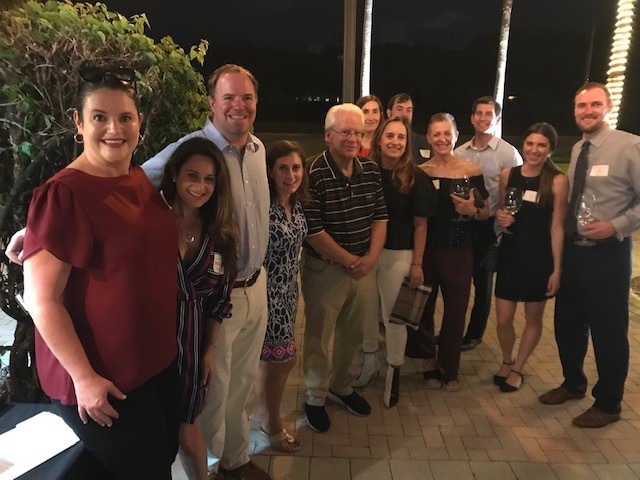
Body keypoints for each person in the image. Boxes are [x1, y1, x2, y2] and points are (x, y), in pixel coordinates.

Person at [22, 68, 179, 479]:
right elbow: (41, 300)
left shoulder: (137, 177)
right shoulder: (63, 195)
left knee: (162, 458)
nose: (114, 129)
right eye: (99, 117)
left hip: (154, 360)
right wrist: (84, 378)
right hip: (104, 379)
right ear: (78, 122)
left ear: (139, 122)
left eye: (125, 117)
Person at [143, 64, 271, 479]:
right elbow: (133, 183)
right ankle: (209, 468)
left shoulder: (258, 150)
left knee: (243, 383)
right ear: (212, 102)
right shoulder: (192, 150)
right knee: (212, 393)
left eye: (247, 97)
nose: (239, 106)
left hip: (256, 285)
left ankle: (236, 458)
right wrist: (40, 229)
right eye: (229, 97)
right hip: (216, 293)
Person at [539, 82, 640, 428]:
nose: (588, 111)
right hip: (575, 250)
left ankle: (609, 404)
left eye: (595, 104)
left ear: (608, 107)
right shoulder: (579, 148)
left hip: (608, 255)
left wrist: (616, 225)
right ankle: (573, 383)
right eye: (581, 106)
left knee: (608, 331)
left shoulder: (629, 146)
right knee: (568, 324)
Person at [302, 103, 387, 433]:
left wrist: (370, 259)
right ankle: (315, 395)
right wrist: (349, 260)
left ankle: (342, 385)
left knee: (353, 334)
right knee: (319, 336)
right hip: (325, 270)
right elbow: (313, 229)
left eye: (358, 132)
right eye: (345, 132)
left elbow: (380, 217)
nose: (353, 138)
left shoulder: (371, 170)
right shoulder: (313, 172)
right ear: (328, 135)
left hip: (362, 268)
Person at [159, 138, 238, 479]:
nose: (200, 186)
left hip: (190, 347)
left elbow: (220, 300)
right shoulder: (151, 219)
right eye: (192, 175)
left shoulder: (220, 234)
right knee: (155, 434)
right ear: (175, 173)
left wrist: (208, 349)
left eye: (209, 180)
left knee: (188, 431)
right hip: (150, 344)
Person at [405, 113, 489, 391]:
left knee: (456, 311)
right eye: (436, 134)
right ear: (428, 138)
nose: (442, 139)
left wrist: (473, 210)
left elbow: (486, 211)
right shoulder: (420, 172)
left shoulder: (471, 170)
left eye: (447, 133)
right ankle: (429, 361)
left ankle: (449, 367)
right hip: (428, 249)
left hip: (460, 250)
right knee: (424, 308)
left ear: (456, 136)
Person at [361, 117, 437, 406]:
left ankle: (394, 370)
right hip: (366, 253)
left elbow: (421, 225)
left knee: (394, 317)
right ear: (379, 139)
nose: (395, 141)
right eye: (390, 136)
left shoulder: (415, 177)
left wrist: (417, 263)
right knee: (366, 314)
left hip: (399, 254)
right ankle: (369, 362)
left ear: (407, 143)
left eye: (401, 137)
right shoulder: (365, 171)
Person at [493, 123, 568, 392]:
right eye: (530, 144)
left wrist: (557, 269)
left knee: (533, 320)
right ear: (523, 144)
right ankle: (507, 359)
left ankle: (518, 368)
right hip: (510, 255)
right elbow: (502, 209)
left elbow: (557, 227)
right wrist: (501, 217)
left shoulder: (557, 181)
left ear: (550, 150)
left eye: (541, 145)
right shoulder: (508, 175)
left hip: (539, 259)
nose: (534, 150)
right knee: (503, 320)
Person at [454, 96, 522, 352]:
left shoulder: (508, 154)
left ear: (497, 119)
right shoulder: (460, 152)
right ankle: (453, 331)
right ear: (472, 118)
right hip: (462, 223)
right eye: (478, 114)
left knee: (482, 284)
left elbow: (516, 194)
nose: (483, 118)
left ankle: (474, 334)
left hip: (490, 227)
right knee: (459, 280)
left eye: (488, 114)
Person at [252, 140, 308, 452]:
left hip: (289, 292)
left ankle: (264, 413)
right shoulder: (264, 206)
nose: (291, 175)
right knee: (282, 360)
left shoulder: (295, 203)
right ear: (271, 172)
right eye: (283, 168)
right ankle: (271, 422)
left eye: (296, 167)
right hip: (268, 294)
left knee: (275, 361)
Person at [386, 92, 430, 165]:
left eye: (408, 110)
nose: (404, 114)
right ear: (389, 113)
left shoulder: (424, 142)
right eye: (399, 109)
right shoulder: (382, 141)